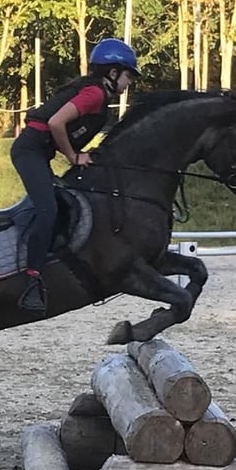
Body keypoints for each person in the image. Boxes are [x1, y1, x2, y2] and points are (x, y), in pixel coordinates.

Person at [11, 38, 140, 314]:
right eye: (128, 76)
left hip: (39, 152)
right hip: (28, 151)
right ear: (113, 72)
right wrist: (73, 157)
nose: (129, 83)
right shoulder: (94, 93)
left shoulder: (100, 97)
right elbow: (56, 123)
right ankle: (31, 281)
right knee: (48, 210)